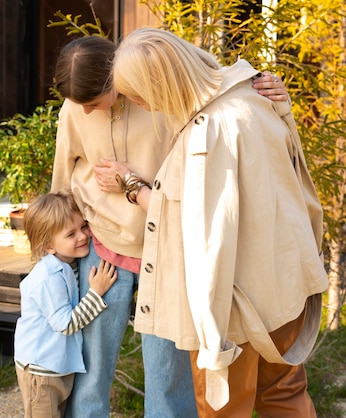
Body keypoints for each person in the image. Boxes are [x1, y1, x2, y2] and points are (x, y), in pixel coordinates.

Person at [50, 35, 290, 417]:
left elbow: (225, 91)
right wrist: (58, 249)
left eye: (95, 103)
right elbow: (63, 176)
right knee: (91, 367)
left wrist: (275, 96)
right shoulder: (75, 107)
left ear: (116, 79)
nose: (88, 113)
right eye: (82, 107)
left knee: (167, 374)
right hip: (103, 246)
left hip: (165, 250)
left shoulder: (164, 92)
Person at [112, 27, 328, 417]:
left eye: (137, 94)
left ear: (157, 85)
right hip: (285, 288)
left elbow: (209, 240)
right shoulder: (254, 95)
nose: (140, 105)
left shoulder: (207, 134)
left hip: (234, 308)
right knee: (285, 396)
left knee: (225, 410)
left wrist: (211, 340)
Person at [14, 191, 118, 418]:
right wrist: (96, 293)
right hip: (41, 371)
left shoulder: (68, 264)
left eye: (83, 227)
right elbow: (66, 324)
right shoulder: (48, 278)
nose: (82, 236)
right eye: (71, 234)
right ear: (49, 245)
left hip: (57, 365)